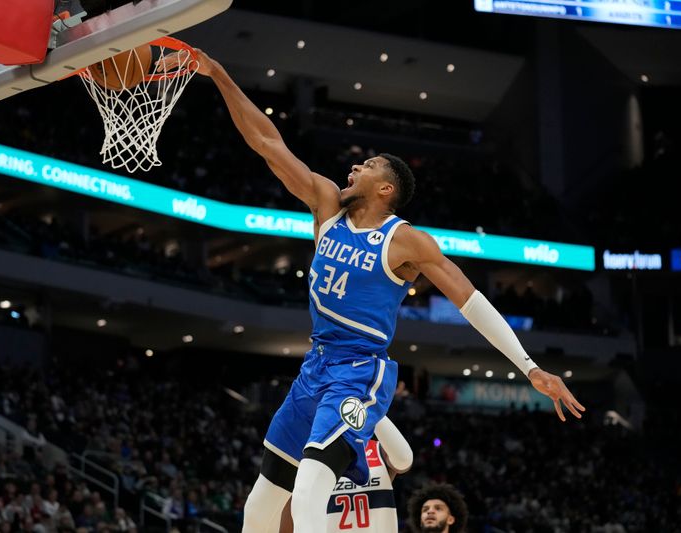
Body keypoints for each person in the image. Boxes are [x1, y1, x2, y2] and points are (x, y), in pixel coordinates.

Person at [160, 49, 585, 533]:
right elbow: (266, 142)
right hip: (314, 368)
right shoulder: (326, 206)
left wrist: (529, 367)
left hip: (360, 371)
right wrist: (217, 72)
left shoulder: (406, 240)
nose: (353, 168)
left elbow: (468, 299)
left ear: (387, 189)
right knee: (257, 511)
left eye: (367, 165)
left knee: (310, 494)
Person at [279, 416, 413, 532]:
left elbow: (403, 463)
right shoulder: (308, 463)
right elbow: (289, 523)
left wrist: (370, 402)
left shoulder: (378, 449)